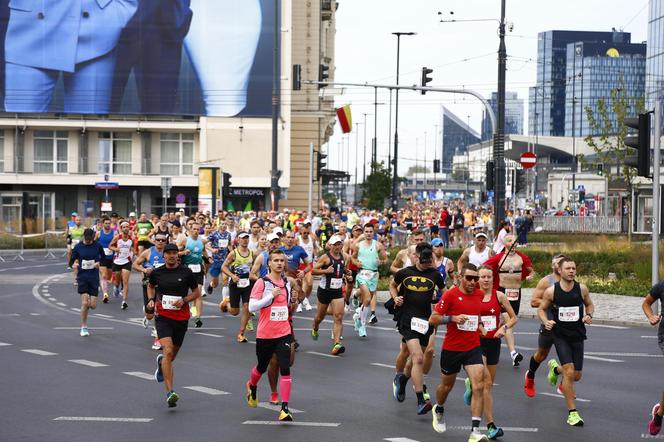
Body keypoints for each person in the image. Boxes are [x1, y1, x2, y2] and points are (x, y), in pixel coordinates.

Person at [4, 0, 138, 113]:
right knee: (19, 128)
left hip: (96, 23)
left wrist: (118, 9)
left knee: (91, 131)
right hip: (30, 27)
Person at [429, 263, 489, 442]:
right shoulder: (451, 295)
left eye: (475, 279)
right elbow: (433, 319)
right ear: (460, 277)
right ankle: (438, 408)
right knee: (446, 387)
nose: (473, 282)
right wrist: (452, 318)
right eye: (469, 278)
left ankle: (475, 431)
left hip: (472, 347)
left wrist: (480, 326)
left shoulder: (479, 294)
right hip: (452, 348)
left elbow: (475, 317)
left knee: (479, 385)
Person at [390, 243, 446, 415]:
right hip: (407, 320)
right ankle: (421, 400)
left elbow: (446, 292)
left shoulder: (435, 275)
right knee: (419, 358)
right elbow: (392, 285)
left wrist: (440, 299)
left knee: (415, 362)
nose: (427, 264)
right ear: (417, 258)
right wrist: (396, 298)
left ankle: (403, 379)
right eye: (424, 261)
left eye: (429, 261)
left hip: (425, 321)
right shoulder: (405, 273)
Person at [538, 258, 594, 427]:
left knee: (576, 375)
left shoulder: (581, 289)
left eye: (573, 268)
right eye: (568, 268)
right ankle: (572, 413)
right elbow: (541, 309)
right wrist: (546, 321)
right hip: (559, 334)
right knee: (569, 373)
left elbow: (590, 305)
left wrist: (589, 315)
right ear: (560, 271)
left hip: (577, 334)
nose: (571, 271)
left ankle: (555, 368)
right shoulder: (551, 291)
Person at [246, 249, 298, 422]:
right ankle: (252, 385)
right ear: (269, 263)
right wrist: (269, 296)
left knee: (285, 367)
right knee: (261, 366)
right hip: (265, 334)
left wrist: (293, 302)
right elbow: (252, 307)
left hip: (283, 332)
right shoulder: (262, 283)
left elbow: (288, 310)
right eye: (275, 260)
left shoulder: (287, 283)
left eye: (282, 261)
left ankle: (285, 408)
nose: (279, 263)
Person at [468, 265, 518, 440]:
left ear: (493, 278)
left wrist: (503, 328)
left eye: (489, 276)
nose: (486, 280)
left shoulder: (499, 296)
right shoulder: (472, 294)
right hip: (476, 342)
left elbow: (514, 318)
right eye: (483, 277)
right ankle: (490, 425)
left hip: (494, 342)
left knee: (487, 386)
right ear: (478, 278)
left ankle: (471, 385)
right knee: (486, 379)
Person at [148, 243, 200, 408]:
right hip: (163, 317)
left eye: (174, 253)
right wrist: (150, 300)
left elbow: (196, 292)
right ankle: (170, 393)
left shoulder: (186, 272)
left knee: (171, 357)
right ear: (164, 256)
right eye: (168, 253)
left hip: (181, 318)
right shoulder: (157, 273)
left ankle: (161, 363)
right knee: (168, 350)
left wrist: (184, 300)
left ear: (178, 255)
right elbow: (150, 286)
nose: (171, 256)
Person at [482, 234, 533, 367]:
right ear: (505, 244)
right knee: (507, 320)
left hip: (516, 292)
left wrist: (529, 277)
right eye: (510, 241)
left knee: (511, 320)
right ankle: (513, 353)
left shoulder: (522, 257)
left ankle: (490, 337)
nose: (513, 243)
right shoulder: (499, 258)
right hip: (503, 292)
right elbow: (484, 268)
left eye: (515, 240)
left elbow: (530, 270)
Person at [524, 254, 567, 397]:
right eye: (554, 263)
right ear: (552, 266)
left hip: (566, 326)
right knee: (541, 355)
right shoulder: (546, 281)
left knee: (569, 359)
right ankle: (530, 376)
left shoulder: (570, 281)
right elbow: (533, 301)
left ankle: (564, 385)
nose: (556, 265)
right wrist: (551, 301)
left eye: (559, 263)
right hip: (548, 324)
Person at [311, 235, 348, 355]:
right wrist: (325, 271)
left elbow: (342, 268)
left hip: (337, 290)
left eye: (340, 244)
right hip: (325, 290)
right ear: (331, 246)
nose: (338, 246)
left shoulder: (344, 256)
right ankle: (315, 327)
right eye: (335, 244)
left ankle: (337, 344)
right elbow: (313, 271)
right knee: (320, 317)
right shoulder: (325, 258)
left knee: (338, 316)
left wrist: (347, 273)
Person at [133, 233, 168, 350]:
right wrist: (144, 269)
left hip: (164, 286)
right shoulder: (148, 252)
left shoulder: (169, 253)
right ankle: (147, 312)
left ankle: (158, 338)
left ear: (165, 241)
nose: (160, 242)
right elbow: (135, 264)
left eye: (163, 240)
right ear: (154, 241)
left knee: (160, 310)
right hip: (149, 285)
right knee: (150, 314)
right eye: (158, 240)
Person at [352, 223, 387, 338]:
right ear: (364, 232)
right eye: (366, 231)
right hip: (362, 274)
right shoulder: (358, 245)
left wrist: (380, 262)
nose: (368, 234)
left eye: (370, 232)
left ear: (373, 233)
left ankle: (358, 317)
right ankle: (362, 324)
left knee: (368, 300)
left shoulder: (378, 245)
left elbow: (385, 259)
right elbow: (353, 257)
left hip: (373, 275)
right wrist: (357, 263)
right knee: (366, 299)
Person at [69, 228, 104, 337]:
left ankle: (88, 306)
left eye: (91, 239)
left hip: (93, 277)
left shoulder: (97, 245)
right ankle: (84, 326)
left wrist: (99, 263)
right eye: (87, 239)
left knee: (92, 305)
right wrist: (73, 265)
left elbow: (103, 257)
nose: (89, 241)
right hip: (82, 277)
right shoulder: (78, 247)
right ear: (84, 237)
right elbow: (71, 260)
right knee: (84, 303)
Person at [222, 231, 255, 342]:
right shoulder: (233, 254)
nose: (245, 240)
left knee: (247, 307)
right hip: (235, 284)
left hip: (247, 284)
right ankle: (226, 303)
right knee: (235, 312)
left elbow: (255, 269)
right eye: (243, 238)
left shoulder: (252, 253)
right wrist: (232, 276)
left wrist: (256, 278)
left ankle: (241, 333)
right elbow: (224, 267)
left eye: (247, 238)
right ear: (238, 240)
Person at [644, 278, 664, 435]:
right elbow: (646, 303)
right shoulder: (662, 285)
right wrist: (651, 317)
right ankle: (658, 417)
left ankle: (659, 411)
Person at [178, 221, 208, 328]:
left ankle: (198, 318)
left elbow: (204, 252)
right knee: (184, 293)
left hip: (198, 269)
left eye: (197, 229)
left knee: (198, 293)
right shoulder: (185, 241)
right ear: (190, 230)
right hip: (186, 269)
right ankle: (182, 314)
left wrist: (209, 258)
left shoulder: (202, 241)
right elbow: (175, 253)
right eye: (194, 229)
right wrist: (183, 253)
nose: (196, 231)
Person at [109, 220, 134, 310]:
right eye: (124, 227)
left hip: (127, 261)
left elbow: (132, 248)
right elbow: (110, 246)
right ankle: (116, 287)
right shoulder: (117, 237)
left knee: (125, 282)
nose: (126, 228)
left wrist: (132, 255)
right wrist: (116, 249)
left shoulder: (131, 239)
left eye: (127, 227)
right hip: (117, 261)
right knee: (117, 281)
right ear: (121, 228)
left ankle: (124, 302)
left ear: (129, 228)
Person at [95, 215, 116, 303]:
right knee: (104, 275)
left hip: (111, 258)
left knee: (109, 276)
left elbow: (118, 244)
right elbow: (94, 244)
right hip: (102, 257)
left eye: (109, 223)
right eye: (106, 223)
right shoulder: (98, 233)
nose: (107, 224)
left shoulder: (114, 233)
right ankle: (105, 294)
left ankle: (114, 287)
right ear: (103, 224)